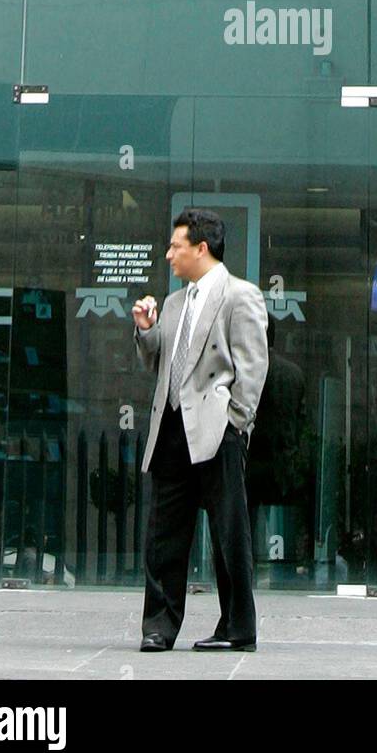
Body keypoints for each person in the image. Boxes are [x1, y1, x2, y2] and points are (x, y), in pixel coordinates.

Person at [132, 207, 269, 652]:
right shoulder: (174, 302)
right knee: (164, 534)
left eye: (176, 246)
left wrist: (237, 423)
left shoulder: (239, 295)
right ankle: (159, 627)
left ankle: (237, 629)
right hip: (171, 428)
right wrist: (147, 331)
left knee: (229, 533)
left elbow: (253, 365)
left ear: (200, 248)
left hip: (216, 430)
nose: (169, 254)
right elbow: (162, 361)